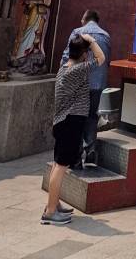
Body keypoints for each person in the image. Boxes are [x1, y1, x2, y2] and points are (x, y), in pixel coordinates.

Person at [43, 32, 104, 225]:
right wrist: (92, 40)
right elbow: (101, 58)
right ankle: (51, 212)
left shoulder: (65, 68)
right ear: (85, 54)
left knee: (57, 164)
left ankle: (53, 203)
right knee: (61, 167)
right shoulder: (78, 70)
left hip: (62, 122)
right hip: (70, 122)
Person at [60, 9, 110, 168]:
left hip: (78, 83)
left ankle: (76, 156)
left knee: (76, 118)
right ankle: (90, 150)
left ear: (84, 20)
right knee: (91, 115)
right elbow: (106, 60)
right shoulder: (105, 36)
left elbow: (66, 57)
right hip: (98, 84)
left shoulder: (78, 32)